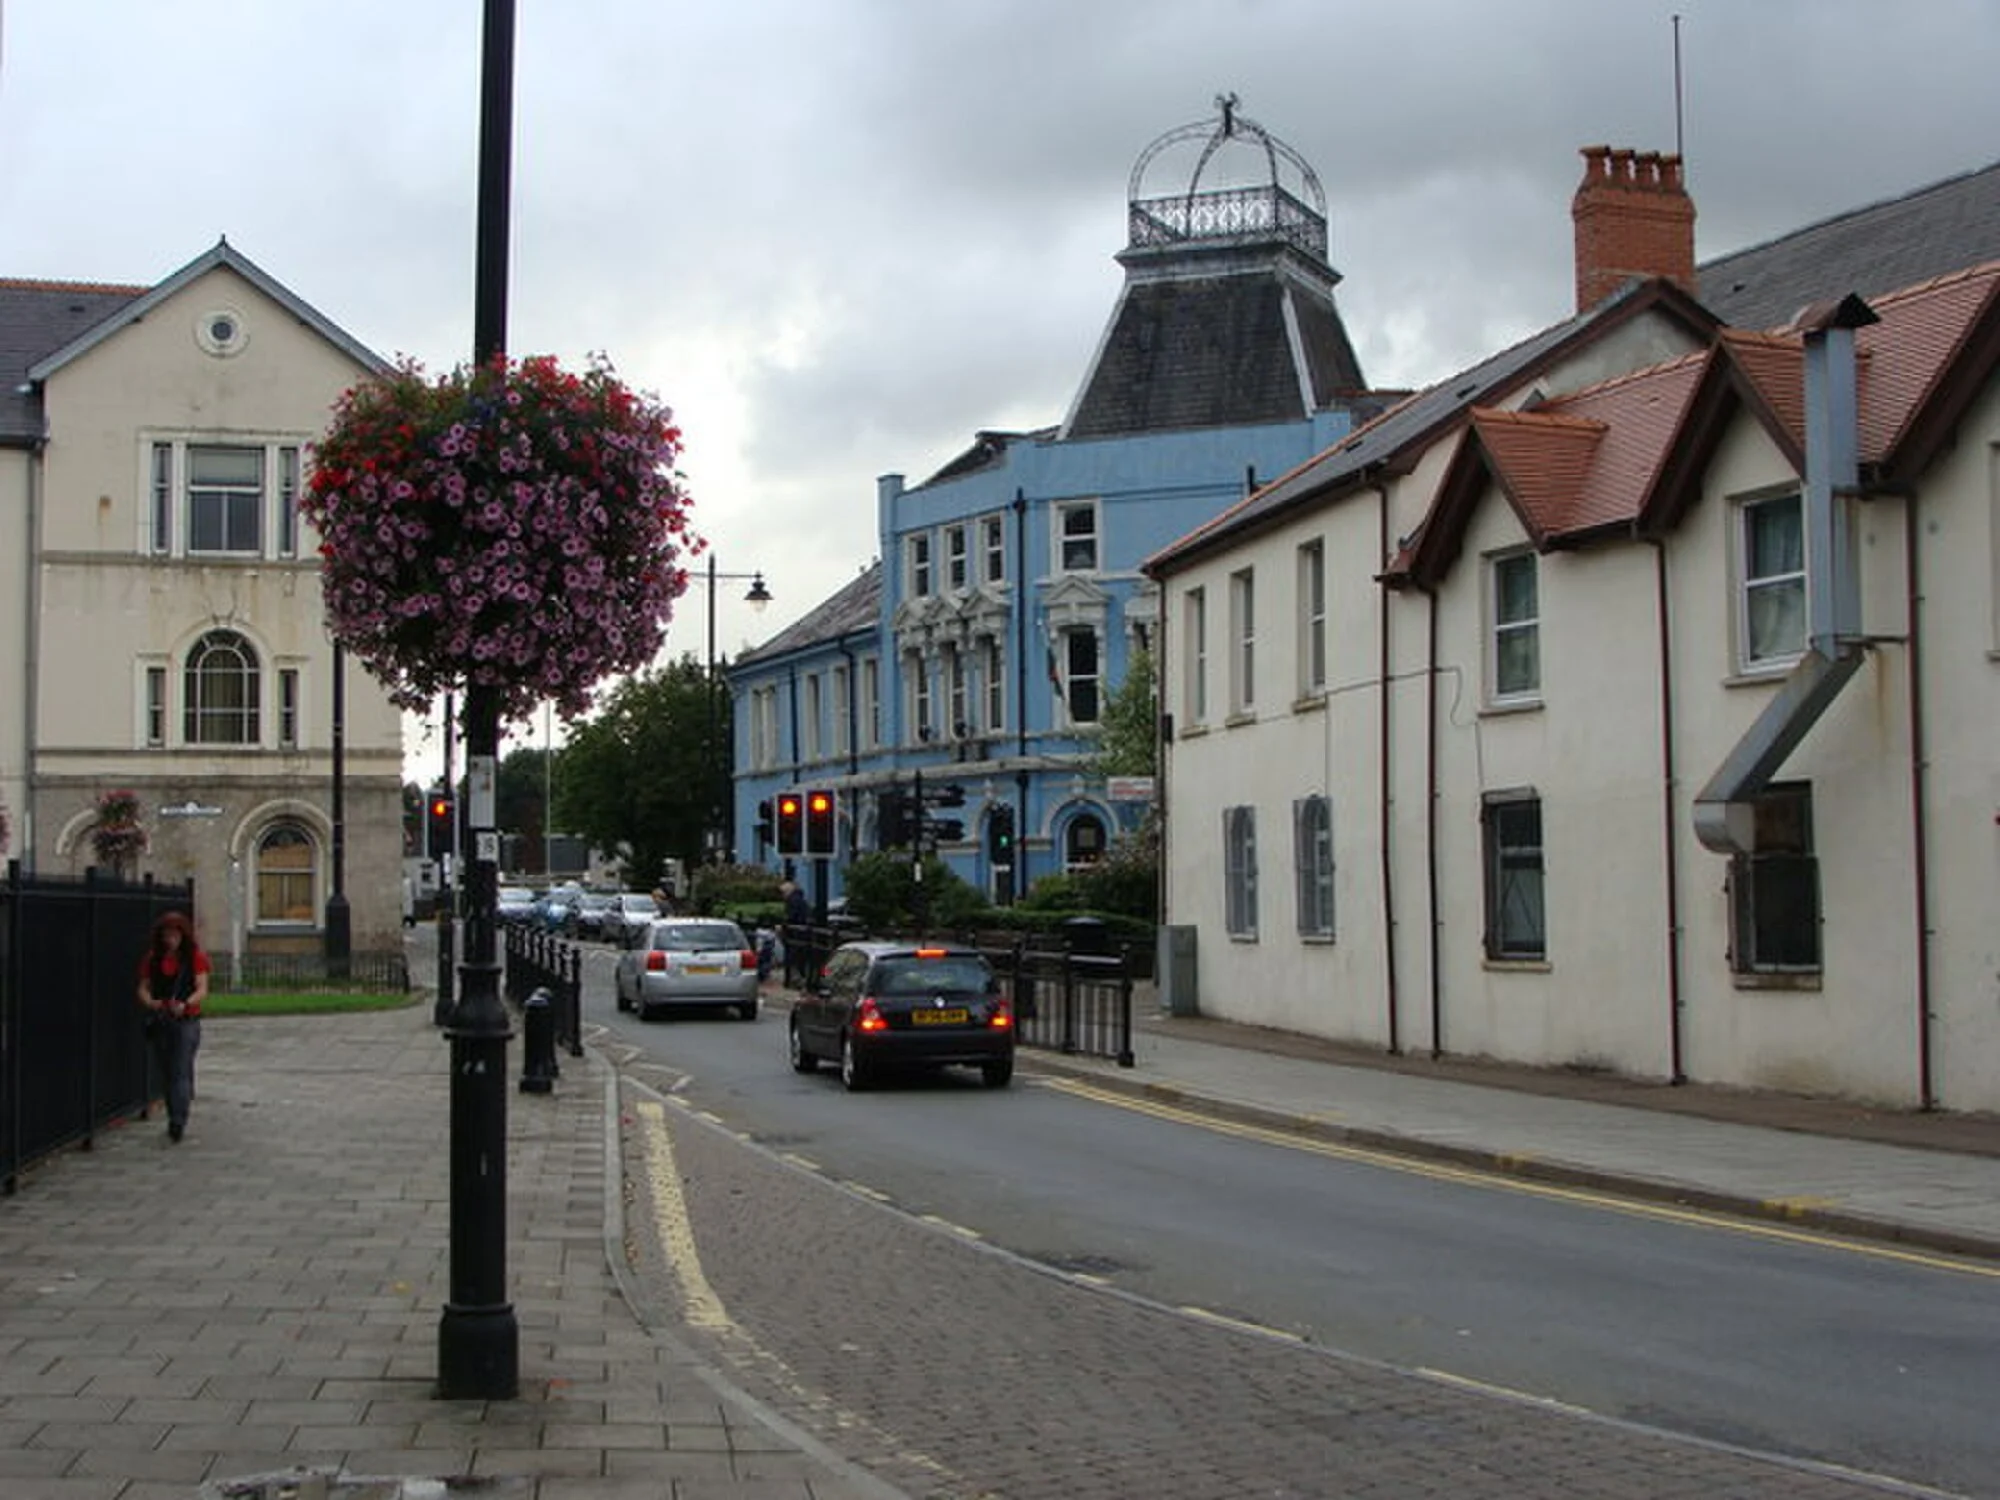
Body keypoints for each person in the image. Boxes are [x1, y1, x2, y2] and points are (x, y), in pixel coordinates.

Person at [136, 910, 208, 1143]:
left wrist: (187, 1004)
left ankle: (179, 1119)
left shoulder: (195, 958)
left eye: (175, 935)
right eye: (167, 935)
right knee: (167, 1071)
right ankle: (173, 1115)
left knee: (180, 1069)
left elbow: (202, 988)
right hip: (162, 1018)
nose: (170, 940)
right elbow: (143, 987)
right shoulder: (152, 959)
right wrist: (152, 1002)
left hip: (186, 1020)